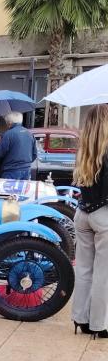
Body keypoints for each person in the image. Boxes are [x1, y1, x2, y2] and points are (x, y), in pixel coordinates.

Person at [72, 104, 108, 338]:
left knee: (84, 270)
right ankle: (99, 325)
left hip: (82, 213)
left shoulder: (84, 149)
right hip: (104, 215)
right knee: (103, 273)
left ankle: (80, 319)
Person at [0, 110, 37, 180]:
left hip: (11, 171)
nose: (6, 124)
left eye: (7, 122)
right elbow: (34, 154)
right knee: (23, 191)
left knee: (10, 191)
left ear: (10, 123)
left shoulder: (8, 134)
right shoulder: (29, 134)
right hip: (26, 170)